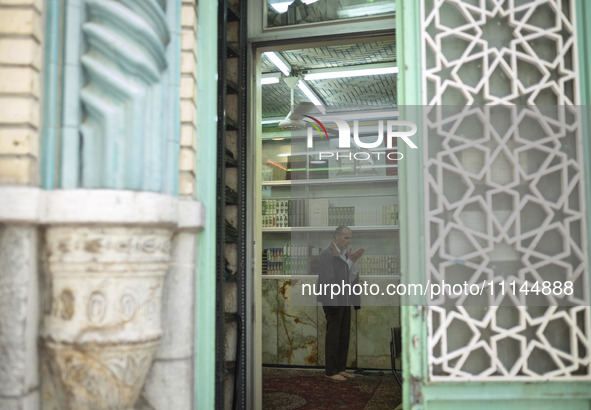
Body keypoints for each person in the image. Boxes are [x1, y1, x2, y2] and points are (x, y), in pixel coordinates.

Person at [317, 225, 365, 381]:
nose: (349, 241)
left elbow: (350, 279)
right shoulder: (327, 255)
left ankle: (340, 368)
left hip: (345, 300)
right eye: (346, 237)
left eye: (350, 238)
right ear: (336, 237)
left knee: (344, 335)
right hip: (334, 301)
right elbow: (331, 280)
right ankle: (330, 372)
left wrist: (352, 262)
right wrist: (349, 262)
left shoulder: (344, 255)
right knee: (333, 336)